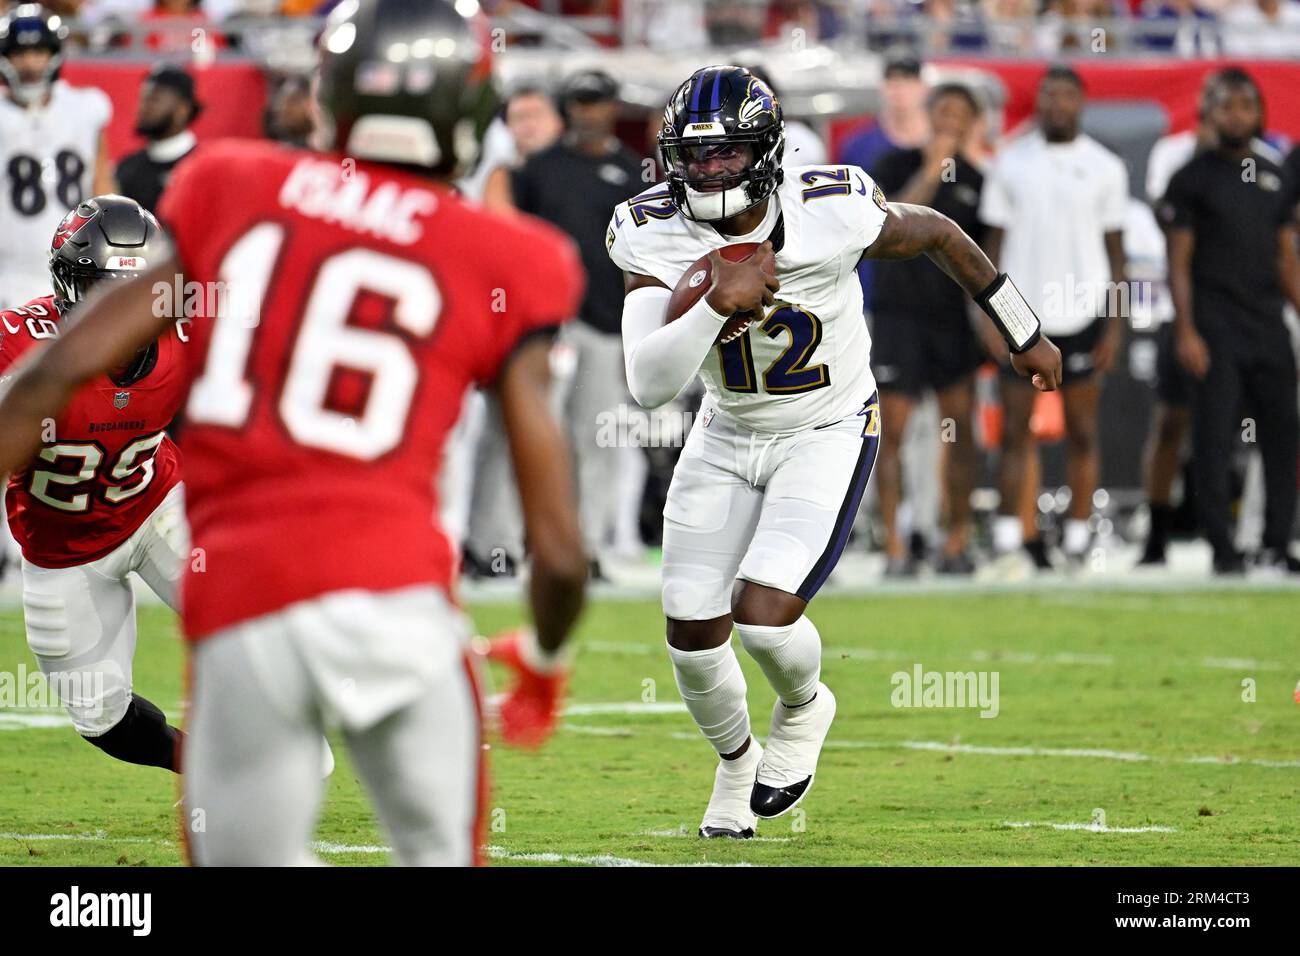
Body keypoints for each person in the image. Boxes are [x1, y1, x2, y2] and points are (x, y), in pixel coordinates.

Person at [0, 0, 589, 867]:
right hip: (396, 596)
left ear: (331, 97)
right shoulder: (517, 256)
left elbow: (53, 375)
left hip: (245, 593)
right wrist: (542, 655)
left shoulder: (229, 184)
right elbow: (563, 548)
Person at [609, 64, 1061, 839]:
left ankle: (805, 706)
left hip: (826, 426)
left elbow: (943, 235)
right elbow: (648, 384)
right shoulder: (650, 227)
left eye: (729, 153)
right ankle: (734, 760)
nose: (711, 170)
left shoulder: (833, 209)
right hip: (727, 430)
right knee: (688, 628)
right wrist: (716, 300)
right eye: (697, 155)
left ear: (768, 151)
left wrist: (1022, 327)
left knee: (764, 615)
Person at [0, 196, 186, 771]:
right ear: (69, 285)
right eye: (107, 289)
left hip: (159, 508)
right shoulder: (16, 344)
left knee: (253, 622)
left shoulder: (190, 328)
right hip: (63, 551)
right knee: (101, 717)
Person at [979, 65, 1129, 572]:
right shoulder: (1010, 164)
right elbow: (989, 252)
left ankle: (1079, 536)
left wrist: (1115, 324)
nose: (1056, 104)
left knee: (1084, 431)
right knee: (1015, 431)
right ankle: (1007, 540)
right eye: (1047, 96)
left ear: (1081, 103)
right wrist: (986, 318)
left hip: (1085, 309)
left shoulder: (1106, 166)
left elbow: (1118, 254)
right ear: (1038, 103)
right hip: (1022, 314)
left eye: (1066, 96)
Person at [1159, 68, 1300, 574]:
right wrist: (1187, 329)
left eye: (1245, 105)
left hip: (1267, 322)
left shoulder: (1276, 173)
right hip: (1214, 325)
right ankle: (1222, 546)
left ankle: (1278, 542)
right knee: (1215, 437)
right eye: (1225, 105)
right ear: (1209, 112)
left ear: (1260, 113)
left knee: (1284, 435)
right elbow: (1177, 262)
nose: (1236, 114)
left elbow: (1286, 256)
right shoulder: (1190, 177)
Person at [513, 69, 645, 581]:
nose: (589, 112)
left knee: (596, 443)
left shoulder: (632, 172)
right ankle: (534, 547)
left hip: (605, 326)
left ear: (612, 106)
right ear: (568, 108)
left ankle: (585, 549)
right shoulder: (538, 169)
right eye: (580, 102)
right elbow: (517, 246)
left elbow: (644, 258)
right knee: (538, 440)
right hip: (545, 327)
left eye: (597, 101)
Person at [870, 83, 987, 576]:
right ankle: (895, 543)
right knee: (890, 433)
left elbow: (985, 260)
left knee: (959, 431)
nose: (950, 122)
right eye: (943, 112)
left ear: (973, 123)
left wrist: (994, 322)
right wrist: (931, 168)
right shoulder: (895, 164)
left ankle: (956, 538)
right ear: (929, 115)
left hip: (951, 321)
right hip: (898, 315)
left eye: (961, 114)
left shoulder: (980, 181)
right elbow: (887, 226)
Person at [0, 4, 114, 309]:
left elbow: (102, 187)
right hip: (8, 273)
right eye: (19, 54)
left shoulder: (85, 108)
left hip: (75, 267)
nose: (29, 64)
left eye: (38, 52)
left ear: (54, 54)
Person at [115, 63, 201, 214]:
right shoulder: (126, 168)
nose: (143, 107)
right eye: (143, 98)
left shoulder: (201, 165)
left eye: (154, 99)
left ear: (183, 109)